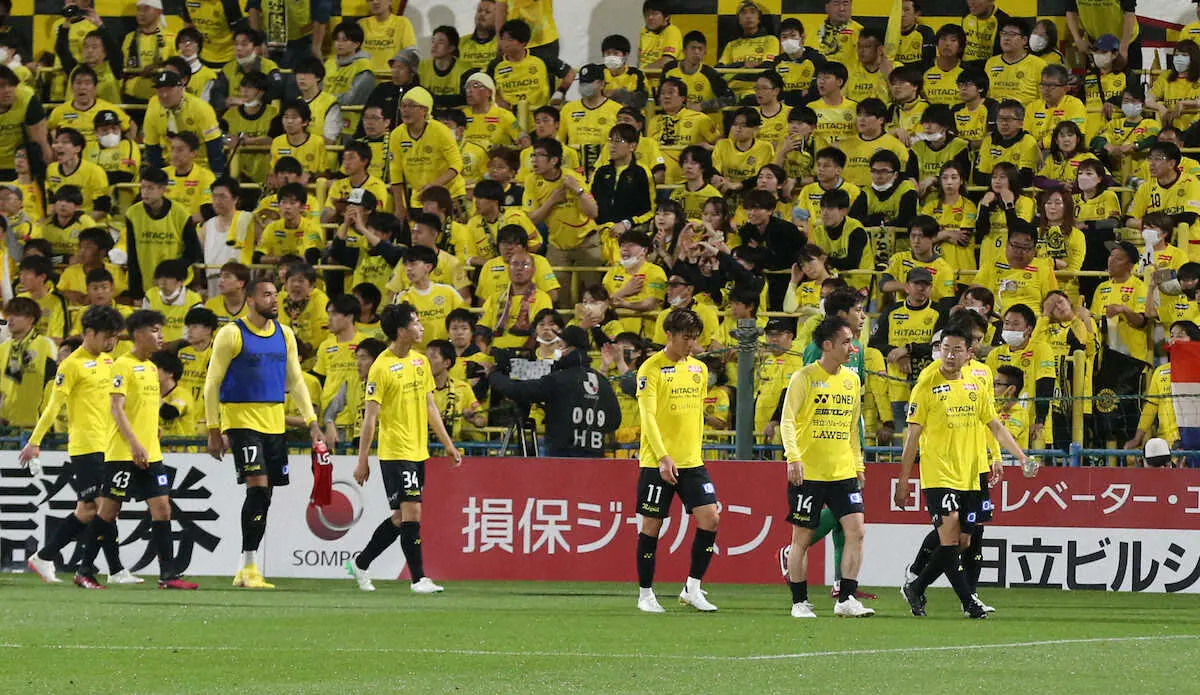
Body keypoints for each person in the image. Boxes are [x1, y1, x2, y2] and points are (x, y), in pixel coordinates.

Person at [896, 325, 1027, 618]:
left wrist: (1020, 457)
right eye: (945, 348)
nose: (950, 355)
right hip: (939, 473)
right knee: (950, 535)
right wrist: (903, 481)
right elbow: (912, 438)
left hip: (970, 474)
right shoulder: (926, 386)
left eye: (957, 349)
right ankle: (969, 602)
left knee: (964, 541)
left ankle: (916, 586)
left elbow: (995, 426)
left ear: (969, 353)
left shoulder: (975, 386)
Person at [203, 277, 324, 589]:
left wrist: (312, 421)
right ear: (251, 300)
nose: (274, 300)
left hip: (274, 423)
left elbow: (295, 380)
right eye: (267, 294)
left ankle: (246, 567)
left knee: (266, 494)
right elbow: (212, 382)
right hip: (241, 420)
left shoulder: (285, 334)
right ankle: (249, 565)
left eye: (275, 294)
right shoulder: (232, 333)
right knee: (257, 487)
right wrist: (214, 427)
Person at [69, 310, 199, 590]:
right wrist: (134, 443)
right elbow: (116, 408)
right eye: (155, 330)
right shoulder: (121, 365)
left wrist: (152, 431)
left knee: (162, 509)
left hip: (151, 453)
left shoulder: (152, 367)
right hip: (123, 453)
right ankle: (84, 570)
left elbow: (142, 408)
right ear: (138, 334)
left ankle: (168, 575)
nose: (160, 335)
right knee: (108, 512)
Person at [346, 302, 462, 593]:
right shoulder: (381, 368)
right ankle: (419, 579)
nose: (421, 327)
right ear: (401, 331)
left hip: (418, 451)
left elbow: (430, 406)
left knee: (400, 518)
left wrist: (448, 444)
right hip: (396, 452)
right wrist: (363, 460)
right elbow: (370, 419)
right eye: (416, 323)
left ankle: (361, 563)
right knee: (413, 513)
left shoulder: (420, 362)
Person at [21, 306, 131, 585]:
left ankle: (44, 556)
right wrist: (35, 441)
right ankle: (114, 570)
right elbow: (53, 406)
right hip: (86, 447)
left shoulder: (109, 361)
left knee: (87, 511)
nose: (112, 342)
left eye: (115, 337)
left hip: (108, 445)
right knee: (105, 506)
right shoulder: (71, 365)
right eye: (107, 336)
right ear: (89, 333)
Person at [779, 316, 873, 618]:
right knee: (802, 539)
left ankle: (846, 598)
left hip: (843, 472)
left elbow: (852, 428)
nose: (852, 348)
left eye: (853, 342)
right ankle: (799, 602)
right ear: (828, 345)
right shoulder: (804, 377)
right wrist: (793, 457)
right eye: (846, 342)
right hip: (809, 472)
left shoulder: (852, 380)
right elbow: (787, 421)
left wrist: (858, 464)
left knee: (856, 531)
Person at [633, 308, 719, 613]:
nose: (691, 344)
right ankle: (646, 594)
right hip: (657, 462)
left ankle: (692, 588)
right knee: (651, 526)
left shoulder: (699, 369)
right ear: (669, 335)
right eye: (686, 338)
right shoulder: (651, 369)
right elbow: (648, 417)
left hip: (692, 462)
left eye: (694, 338)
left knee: (711, 518)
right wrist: (662, 456)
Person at [489, 325, 620, 456]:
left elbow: (517, 390)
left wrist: (493, 374)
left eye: (561, 345)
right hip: (595, 459)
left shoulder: (558, 380)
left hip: (562, 458)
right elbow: (614, 421)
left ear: (570, 348)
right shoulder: (602, 381)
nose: (558, 349)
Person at [124, 167, 202, 300]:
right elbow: (132, 256)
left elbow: (194, 252)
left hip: (178, 284)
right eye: (143, 187)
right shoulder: (132, 213)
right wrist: (136, 293)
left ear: (163, 189)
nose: (145, 192)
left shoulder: (180, 213)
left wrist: (173, 270)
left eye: (150, 188)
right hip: (147, 285)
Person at [143, 70, 224, 174]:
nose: (164, 95)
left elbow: (214, 146)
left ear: (181, 89)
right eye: (160, 91)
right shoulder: (154, 109)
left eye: (169, 90)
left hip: (201, 167)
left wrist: (217, 176)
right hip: (169, 168)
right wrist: (159, 176)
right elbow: (152, 148)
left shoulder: (200, 108)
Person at [486, 19, 574, 111]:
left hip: (540, 114)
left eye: (510, 39)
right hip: (509, 115)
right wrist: (499, 100)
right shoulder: (495, 65)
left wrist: (559, 94)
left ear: (524, 42)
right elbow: (486, 88)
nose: (504, 44)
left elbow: (570, 74)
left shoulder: (541, 58)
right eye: (502, 39)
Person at [1067, 0, 1140, 74]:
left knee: (1130, 80)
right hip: (1096, 44)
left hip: (1125, 42)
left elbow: (1129, 13)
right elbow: (1070, 11)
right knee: (1097, 80)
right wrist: (1078, 39)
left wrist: (1124, 46)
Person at [984, 18, 1046, 106]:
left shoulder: (1039, 64)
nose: (1006, 38)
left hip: (1025, 113)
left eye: (1012, 34)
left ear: (1024, 40)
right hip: (995, 112)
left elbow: (1045, 101)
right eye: (1003, 33)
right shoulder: (991, 62)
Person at [359, 0, 416, 74]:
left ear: (390, 1)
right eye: (371, 0)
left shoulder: (402, 23)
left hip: (392, 77)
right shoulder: (361, 24)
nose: (375, 2)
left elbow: (409, 52)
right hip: (366, 76)